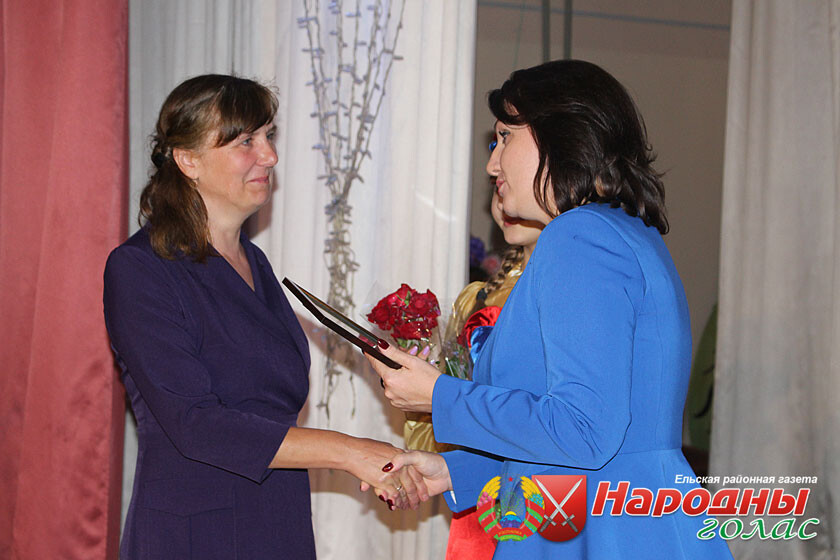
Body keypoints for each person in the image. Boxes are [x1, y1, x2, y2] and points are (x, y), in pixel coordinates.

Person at [367, 60, 734, 558]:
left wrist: (439, 395)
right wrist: (455, 471)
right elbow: (589, 440)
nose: (492, 164)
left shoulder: (579, 235)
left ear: (561, 134)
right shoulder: (624, 231)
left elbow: (585, 432)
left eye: (504, 137)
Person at [103, 74, 411, 560]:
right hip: (194, 537)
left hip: (278, 521)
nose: (269, 156)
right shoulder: (140, 269)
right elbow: (196, 424)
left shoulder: (256, 263)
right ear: (188, 160)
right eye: (246, 141)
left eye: (269, 136)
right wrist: (350, 452)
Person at [403, 189, 543, 559]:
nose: (504, 198)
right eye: (496, 186)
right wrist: (421, 394)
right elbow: (437, 434)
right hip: (477, 496)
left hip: (544, 493)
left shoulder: (564, 299)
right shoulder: (475, 298)